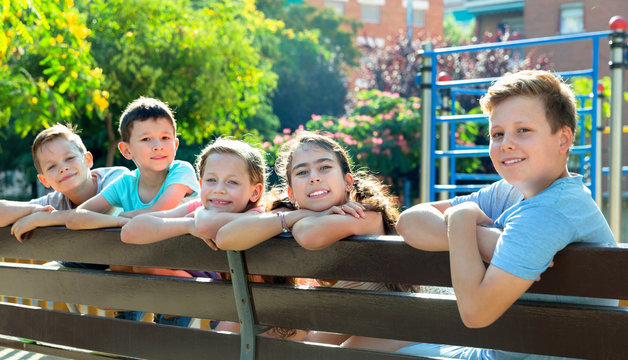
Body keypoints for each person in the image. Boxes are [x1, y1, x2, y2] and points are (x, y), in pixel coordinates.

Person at [395, 70, 616, 358]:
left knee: (357, 347)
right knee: (364, 343)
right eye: (497, 134)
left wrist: (461, 218)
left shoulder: (548, 212)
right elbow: (409, 222)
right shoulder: (510, 192)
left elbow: (476, 313)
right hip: (504, 349)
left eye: (523, 130)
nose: (506, 143)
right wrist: (488, 240)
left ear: (563, 140)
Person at [216, 131, 411, 348]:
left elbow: (308, 235)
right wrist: (296, 215)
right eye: (302, 172)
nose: (314, 177)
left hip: (395, 326)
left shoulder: (364, 214)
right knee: (234, 327)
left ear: (348, 182)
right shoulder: (292, 214)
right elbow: (225, 237)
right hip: (345, 322)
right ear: (291, 194)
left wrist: (300, 218)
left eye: (324, 167)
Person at [65, 97, 199, 324]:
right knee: (123, 261)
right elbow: (76, 217)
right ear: (126, 150)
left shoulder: (181, 171)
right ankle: (129, 321)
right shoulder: (126, 182)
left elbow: (159, 211)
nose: (158, 145)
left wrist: (123, 218)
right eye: (146, 139)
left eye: (165, 138)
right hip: (145, 268)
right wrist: (118, 222)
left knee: (136, 261)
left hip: (186, 270)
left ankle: (164, 324)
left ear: (175, 145)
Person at [0, 124, 126, 255]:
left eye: (70, 158)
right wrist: (33, 210)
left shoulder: (117, 178)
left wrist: (41, 219)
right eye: (51, 166)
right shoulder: (54, 202)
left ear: (88, 160)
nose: (63, 168)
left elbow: (90, 214)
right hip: (81, 266)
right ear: (44, 181)